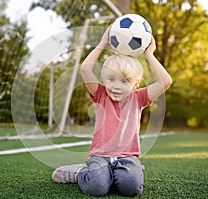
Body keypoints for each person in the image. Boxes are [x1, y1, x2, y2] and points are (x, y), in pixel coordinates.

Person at [52, 25, 172, 197]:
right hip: (100, 156)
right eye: (111, 79)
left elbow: (166, 81)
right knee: (97, 188)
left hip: (127, 158)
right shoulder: (100, 94)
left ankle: (128, 171)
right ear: (104, 80)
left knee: (131, 188)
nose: (116, 86)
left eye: (124, 82)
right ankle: (80, 173)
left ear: (135, 84)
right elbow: (85, 69)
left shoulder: (138, 98)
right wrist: (102, 43)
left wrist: (149, 55)